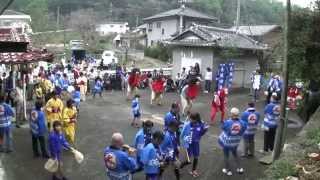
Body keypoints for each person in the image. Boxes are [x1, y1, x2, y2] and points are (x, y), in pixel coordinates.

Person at [218, 108, 247, 176]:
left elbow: (223, 127)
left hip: (227, 143)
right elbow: (244, 129)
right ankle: (240, 168)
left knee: (226, 156)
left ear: (232, 114)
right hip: (236, 142)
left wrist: (223, 122)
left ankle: (228, 170)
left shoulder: (228, 122)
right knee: (235, 154)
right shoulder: (243, 123)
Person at [180, 113, 209, 177]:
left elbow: (202, 131)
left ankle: (193, 170)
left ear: (196, 119)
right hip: (189, 144)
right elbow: (182, 134)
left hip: (196, 143)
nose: (190, 120)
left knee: (196, 157)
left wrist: (204, 131)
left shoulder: (200, 124)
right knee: (188, 160)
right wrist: (184, 141)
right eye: (190, 119)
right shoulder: (187, 125)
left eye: (192, 119)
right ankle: (180, 166)